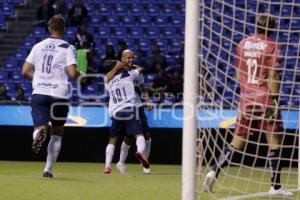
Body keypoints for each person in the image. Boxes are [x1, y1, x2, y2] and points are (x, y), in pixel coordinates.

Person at [203, 13, 293, 196]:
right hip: (265, 98)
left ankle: (213, 171)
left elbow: (237, 75)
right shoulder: (273, 45)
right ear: (272, 27)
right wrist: (275, 100)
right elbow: (273, 75)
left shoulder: (242, 44)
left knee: (237, 142)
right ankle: (275, 186)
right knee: (275, 140)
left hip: (246, 98)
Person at [22, 15, 80, 178]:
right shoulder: (68, 47)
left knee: (40, 127)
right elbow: (73, 72)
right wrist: (82, 75)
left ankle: (38, 133)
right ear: (64, 29)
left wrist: (40, 79)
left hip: (40, 92)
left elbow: (25, 71)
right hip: (59, 94)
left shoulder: (38, 46)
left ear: (49, 28)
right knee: (57, 132)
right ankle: (48, 169)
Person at [103, 59, 149, 174]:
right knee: (139, 135)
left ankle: (107, 166)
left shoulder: (108, 82)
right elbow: (141, 69)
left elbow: (106, 78)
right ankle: (140, 152)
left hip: (116, 112)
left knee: (112, 140)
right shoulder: (129, 75)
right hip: (130, 109)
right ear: (118, 67)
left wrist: (117, 67)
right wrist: (132, 65)